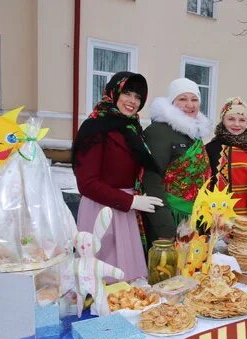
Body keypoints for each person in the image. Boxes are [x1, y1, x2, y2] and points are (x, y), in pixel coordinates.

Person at [72, 72, 163, 281]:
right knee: (103, 279)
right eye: (127, 94)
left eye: (138, 97)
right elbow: (87, 183)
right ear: (113, 93)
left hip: (127, 212)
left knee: (128, 281)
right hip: (101, 211)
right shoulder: (95, 127)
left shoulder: (132, 127)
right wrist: (130, 200)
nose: (132, 101)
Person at [142, 78, 212, 245]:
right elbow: (152, 181)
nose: (190, 104)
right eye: (183, 99)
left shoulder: (193, 133)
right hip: (170, 219)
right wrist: (164, 228)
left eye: (194, 99)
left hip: (194, 218)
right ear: (172, 102)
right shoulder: (159, 132)